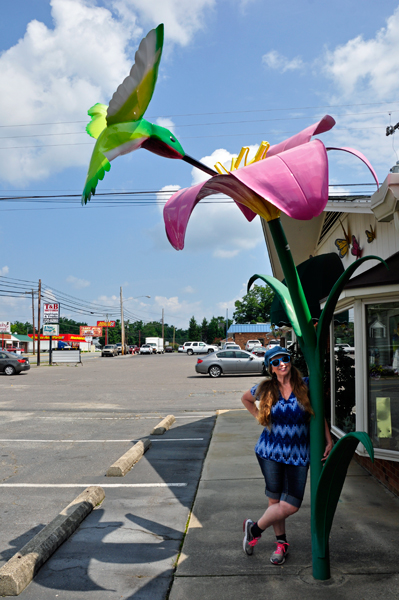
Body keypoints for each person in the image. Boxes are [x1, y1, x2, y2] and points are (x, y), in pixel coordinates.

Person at [241, 345, 333, 565]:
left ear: (290, 360)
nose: (282, 364)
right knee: (275, 501)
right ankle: (281, 545)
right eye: (276, 362)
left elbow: (318, 415)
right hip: (269, 452)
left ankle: (254, 530)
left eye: (285, 359)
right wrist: (260, 418)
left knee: (290, 505)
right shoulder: (265, 388)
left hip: (299, 454)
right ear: (271, 368)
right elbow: (245, 398)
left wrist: (328, 440)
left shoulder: (306, 385)